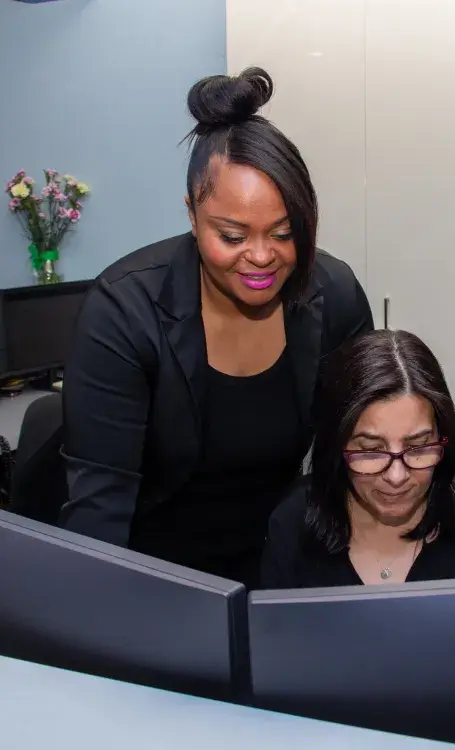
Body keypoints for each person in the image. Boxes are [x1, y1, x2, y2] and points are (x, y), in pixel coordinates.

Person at [60, 67, 373, 588]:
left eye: (283, 233)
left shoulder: (333, 293)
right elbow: (100, 511)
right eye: (232, 235)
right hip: (152, 574)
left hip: (279, 563)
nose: (261, 258)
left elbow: (362, 448)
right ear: (192, 214)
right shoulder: (124, 311)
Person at [260, 329, 455, 589]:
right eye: (371, 451)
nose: (396, 476)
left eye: (418, 447)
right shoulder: (294, 525)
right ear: (337, 446)